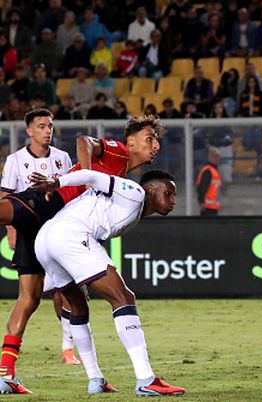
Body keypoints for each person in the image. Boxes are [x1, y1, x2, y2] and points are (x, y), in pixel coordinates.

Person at [0, 114, 163, 394]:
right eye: (149, 138)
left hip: (55, 226)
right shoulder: (118, 151)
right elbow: (84, 140)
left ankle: (5, 374)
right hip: (52, 203)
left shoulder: (122, 175)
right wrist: (87, 178)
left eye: (157, 140)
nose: (155, 144)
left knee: (30, 297)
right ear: (131, 141)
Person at [32, 169, 184, 396]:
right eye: (168, 193)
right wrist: (57, 182)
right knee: (123, 297)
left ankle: (95, 380)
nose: (173, 200)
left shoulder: (134, 210)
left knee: (78, 307)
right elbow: (91, 176)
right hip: (69, 234)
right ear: (151, 189)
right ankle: (146, 378)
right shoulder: (135, 193)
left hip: (45, 240)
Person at [0, 109, 78, 367]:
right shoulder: (15, 159)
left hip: (58, 231)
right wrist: (11, 230)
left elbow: (70, 194)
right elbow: (6, 197)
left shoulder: (63, 158)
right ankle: (7, 364)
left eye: (50, 126)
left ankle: (68, 349)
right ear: (29, 131)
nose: (47, 130)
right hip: (29, 232)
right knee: (29, 298)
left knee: (65, 292)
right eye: (42, 126)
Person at [196, 147, 222, 216]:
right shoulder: (208, 171)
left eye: (218, 156)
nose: (217, 158)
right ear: (209, 157)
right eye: (215, 156)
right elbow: (202, 187)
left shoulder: (213, 171)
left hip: (213, 206)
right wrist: (201, 201)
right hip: (207, 207)